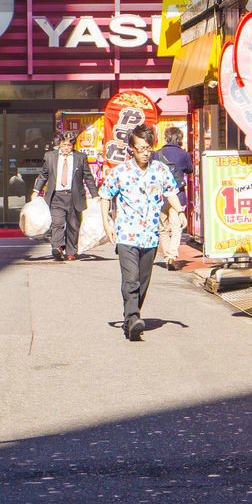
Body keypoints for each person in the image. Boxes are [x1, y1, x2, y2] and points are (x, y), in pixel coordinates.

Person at [99, 123, 186, 342]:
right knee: (131, 280)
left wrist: (180, 211)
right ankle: (133, 317)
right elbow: (105, 196)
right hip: (127, 234)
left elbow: (171, 192)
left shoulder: (160, 170)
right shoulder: (120, 172)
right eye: (140, 148)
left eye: (148, 148)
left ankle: (130, 319)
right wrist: (107, 223)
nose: (145, 153)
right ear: (131, 148)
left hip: (150, 236)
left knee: (144, 282)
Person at [32, 130, 98, 261]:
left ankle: (71, 251)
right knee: (57, 223)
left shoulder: (80, 157)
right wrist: (35, 191)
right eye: (63, 145)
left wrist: (95, 194)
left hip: (74, 196)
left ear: (73, 145)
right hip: (56, 196)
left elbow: (88, 177)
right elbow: (44, 174)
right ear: (59, 144)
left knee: (74, 224)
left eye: (69, 145)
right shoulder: (50, 156)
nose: (66, 148)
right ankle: (57, 247)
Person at [153, 126, 193, 270]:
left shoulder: (157, 154)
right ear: (180, 138)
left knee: (162, 228)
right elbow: (190, 170)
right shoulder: (184, 154)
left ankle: (166, 257)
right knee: (176, 227)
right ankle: (172, 255)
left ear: (166, 138)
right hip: (178, 195)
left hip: (161, 196)